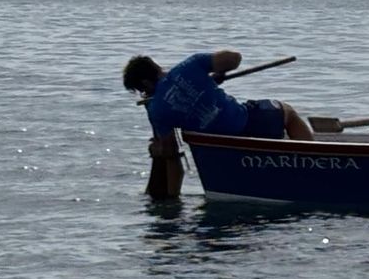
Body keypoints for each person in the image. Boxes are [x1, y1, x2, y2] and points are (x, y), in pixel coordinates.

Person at [123, 50, 314, 200]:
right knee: (287, 112)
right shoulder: (190, 66)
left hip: (214, 144)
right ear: (156, 68)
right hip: (245, 123)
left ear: (146, 84)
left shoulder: (156, 111)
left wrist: (173, 198)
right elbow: (235, 58)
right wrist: (216, 73)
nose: (144, 96)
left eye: (141, 92)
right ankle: (311, 160)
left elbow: (172, 157)